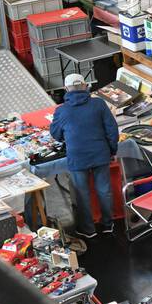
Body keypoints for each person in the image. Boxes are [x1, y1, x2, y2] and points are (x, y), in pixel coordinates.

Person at [49, 74, 119, 239]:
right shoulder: (99, 104)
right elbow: (112, 130)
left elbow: (56, 134)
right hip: (101, 153)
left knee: (82, 194)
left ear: (66, 89)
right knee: (104, 190)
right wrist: (112, 150)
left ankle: (89, 230)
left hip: (77, 157)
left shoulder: (62, 111)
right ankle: (108, 224)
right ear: (86, 86)